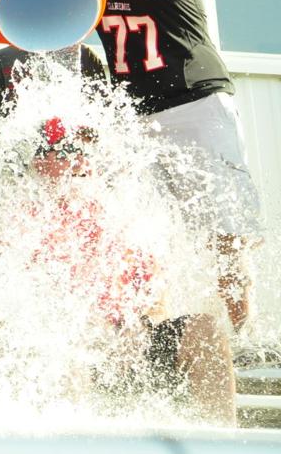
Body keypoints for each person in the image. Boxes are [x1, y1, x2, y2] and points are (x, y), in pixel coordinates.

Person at [83, 0, 260, 331]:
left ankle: (243, 337)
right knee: (140, 234)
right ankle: (154, 337)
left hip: (195, 102)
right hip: (137, 117)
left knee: (225, 235)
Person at [26, 118, 236, 426]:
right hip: (65, 347)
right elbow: (22, 306)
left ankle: (224, 442)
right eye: (68, 151)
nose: (83, 161)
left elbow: (157, 301)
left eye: (88, 150)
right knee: (64, 347)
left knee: (207, 329)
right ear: (40, 162)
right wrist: (87, 329)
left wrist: (140, 326)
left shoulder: (119, 214)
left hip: (126, 345)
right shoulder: (24, 218)